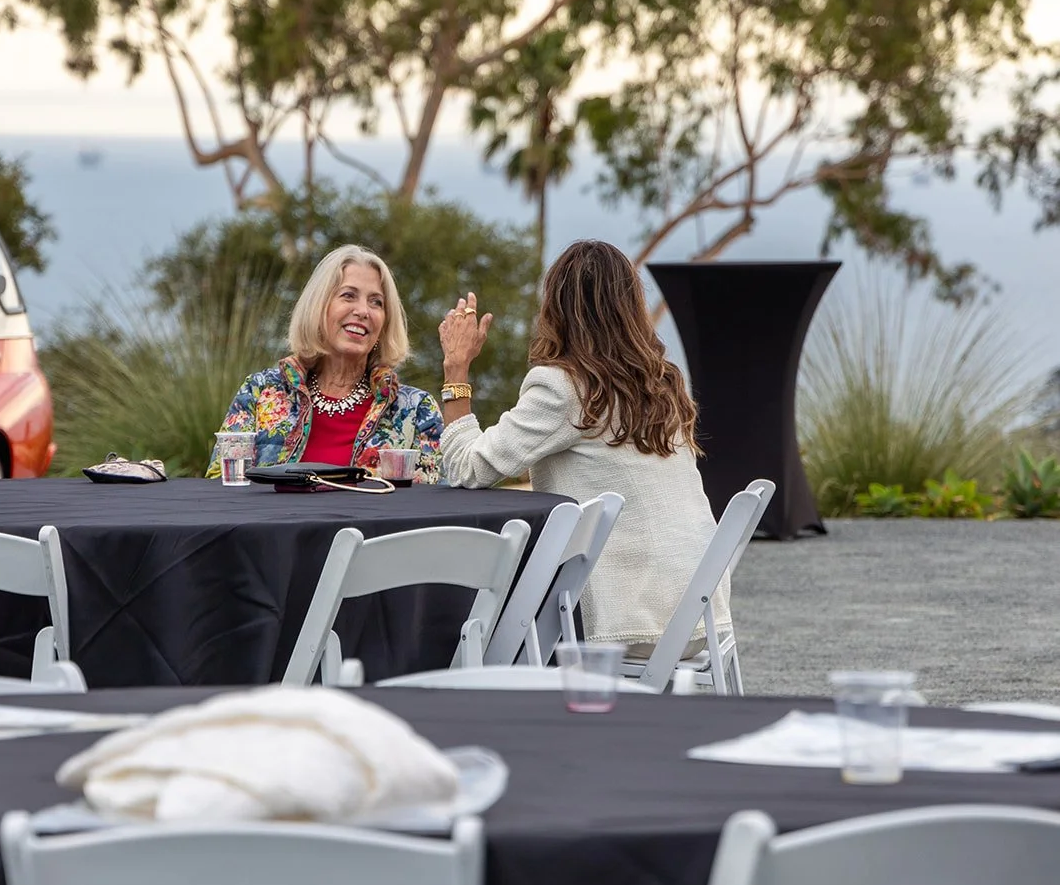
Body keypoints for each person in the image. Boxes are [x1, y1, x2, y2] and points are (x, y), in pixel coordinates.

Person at [437, 239, 728, 656]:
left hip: (628, 626)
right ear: (631, 307)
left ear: (554, 308)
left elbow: (467, 468)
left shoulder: (563, 387)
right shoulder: (662, 383)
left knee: (488, 627)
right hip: (696, 619)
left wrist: (456, 370)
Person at [208, 244, 442, 482]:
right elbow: (220, 486)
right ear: (318, 308)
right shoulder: (259, 392)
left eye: (376, 302)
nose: (363, 311)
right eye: (348, 295)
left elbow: (433, 502)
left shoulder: (415, 409)